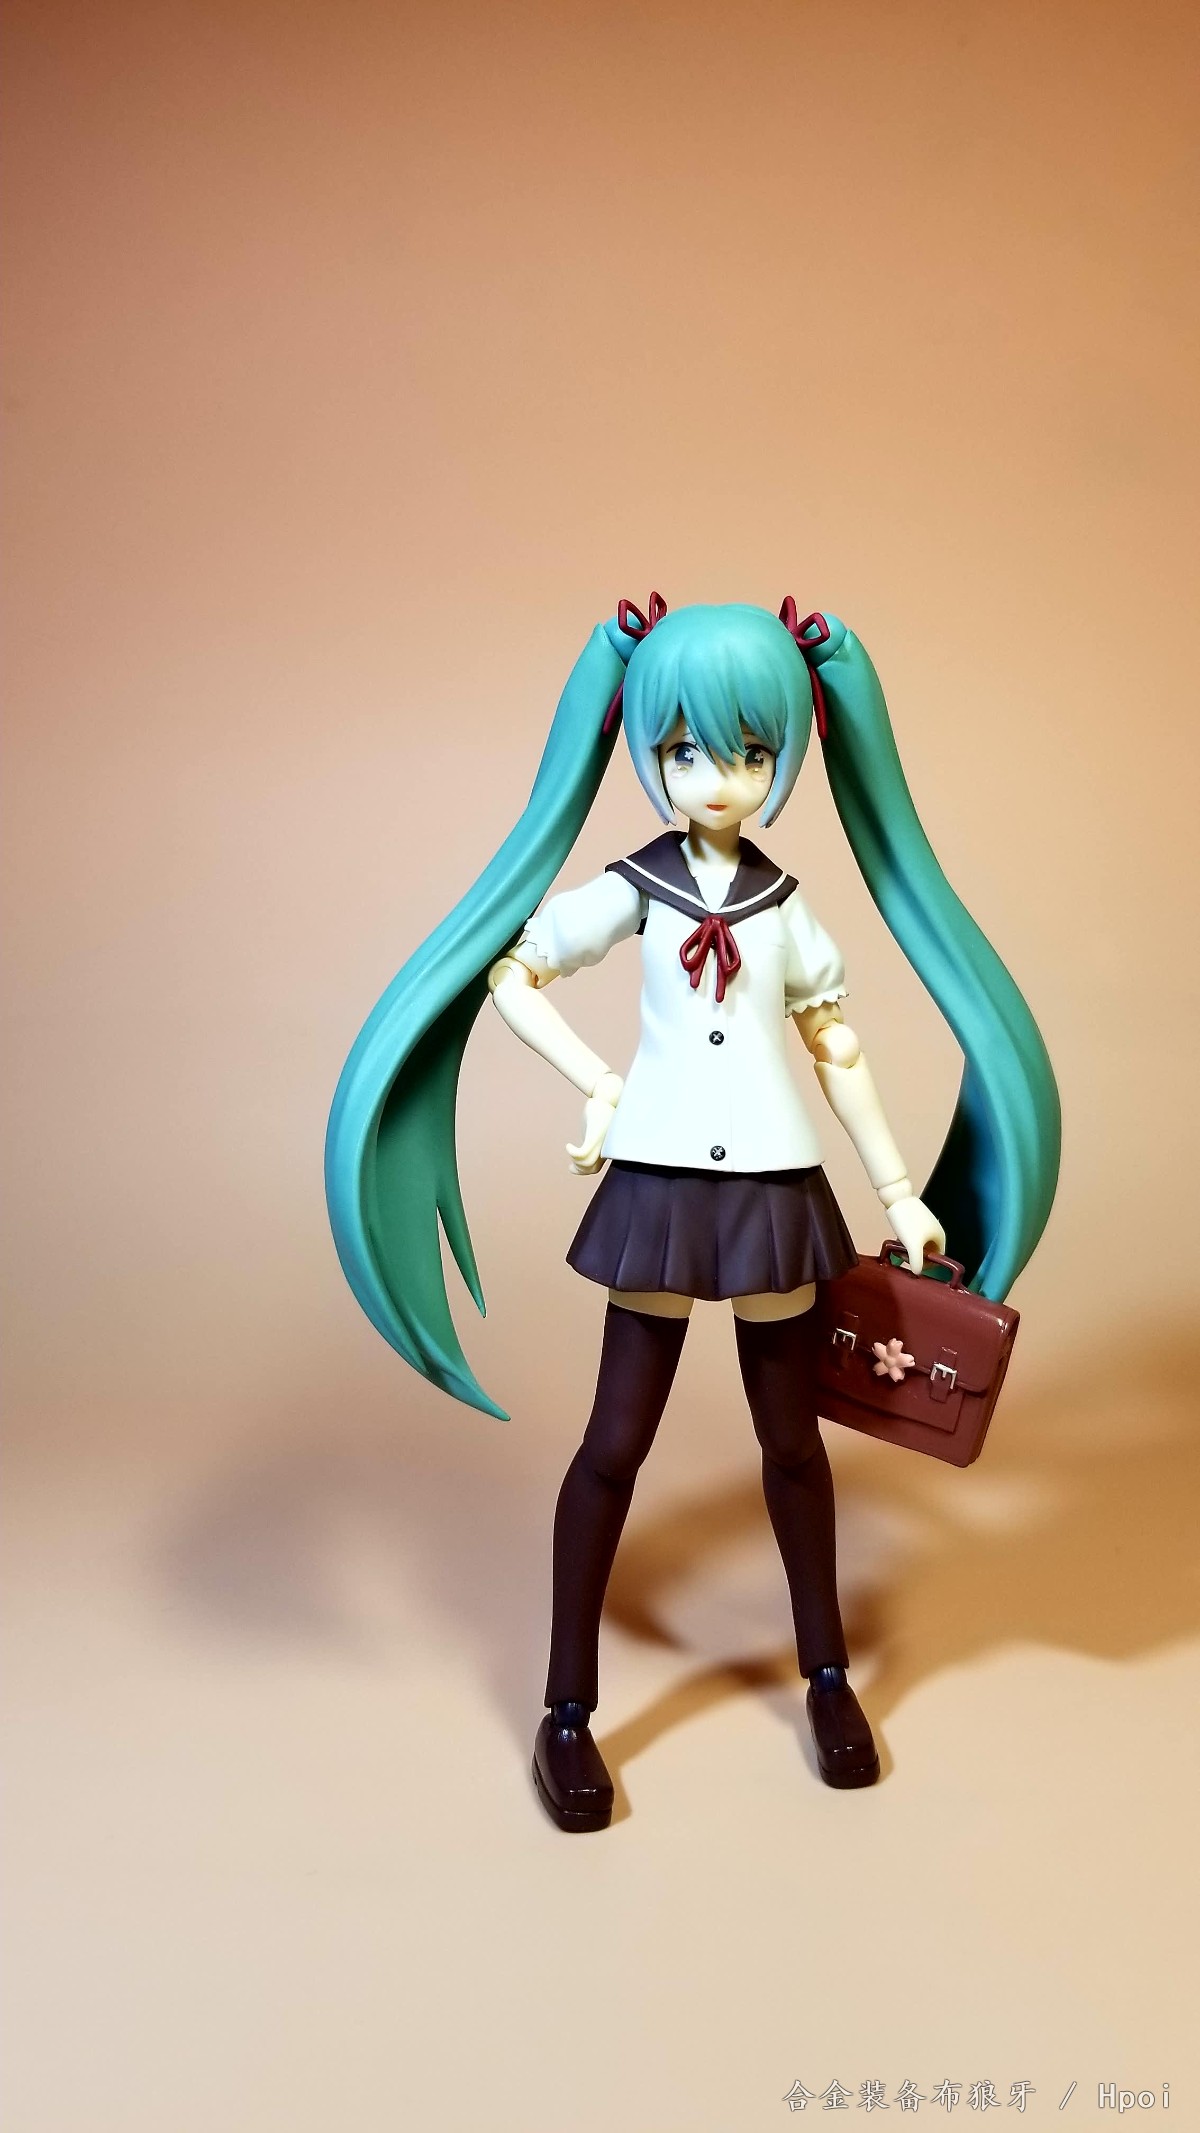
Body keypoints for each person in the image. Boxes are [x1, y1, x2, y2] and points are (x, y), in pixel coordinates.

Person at [324, 595, 1059, 1832]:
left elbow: (836, 1043)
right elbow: (516, 971)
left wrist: (897, 1190)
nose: (718, 778)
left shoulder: (786, 905)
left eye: (749, 753)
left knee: (792, 1445)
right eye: (686, 751)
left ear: (786, 757)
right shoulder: (638, 888)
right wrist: (599, 1083)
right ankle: (568, 1709)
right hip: (662, 1189)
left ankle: (827, 1677)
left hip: (773, 1190)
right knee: (614, 1445)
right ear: (647, 751)